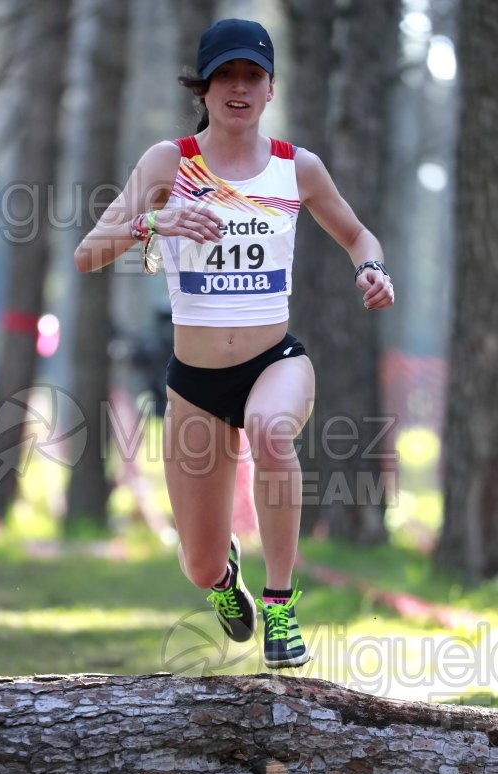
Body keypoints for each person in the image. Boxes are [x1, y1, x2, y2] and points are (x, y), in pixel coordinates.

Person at [74, 18, 394, 668]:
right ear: (205, 87)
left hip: (274, 361)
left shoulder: (296, 168)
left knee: (272, 430)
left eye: (253, 75)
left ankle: (280, 604)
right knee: (196, 562)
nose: (239, 88)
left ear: (271, 87)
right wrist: (151, 221)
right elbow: (86, 255)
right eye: (227, 75)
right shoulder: (170, 162)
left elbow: (361, 236)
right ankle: (227, 580)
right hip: (194, 384)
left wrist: (371, 270)